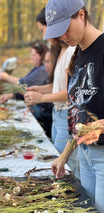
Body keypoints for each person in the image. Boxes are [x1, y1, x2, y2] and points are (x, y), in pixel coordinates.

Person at [44, 0, 104, 212]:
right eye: (57, 32)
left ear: (81, 15)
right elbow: (78, 113)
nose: (63, 37)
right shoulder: (77, 54)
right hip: (85, 154)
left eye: (65, 28)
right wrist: (65, 154)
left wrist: (99, 127)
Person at [24, 7, 79, 179]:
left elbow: (72, 92)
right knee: (56, 159)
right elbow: (59, 86)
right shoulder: (60, 51)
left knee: (66, 168)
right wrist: (40, 89)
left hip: (66, 115)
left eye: (43, 30)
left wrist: (41, 98)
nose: (44, 36)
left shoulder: (71, 51)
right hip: (57, 114)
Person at [0, 43, 53, 138]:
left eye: (33, 55)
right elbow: (25, 87)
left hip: (45, 112)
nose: (31, 58)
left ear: (42, 55)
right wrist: (12, 95)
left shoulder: (43, 69)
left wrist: (6, 77)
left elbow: (24, 84)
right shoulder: (37, 68)